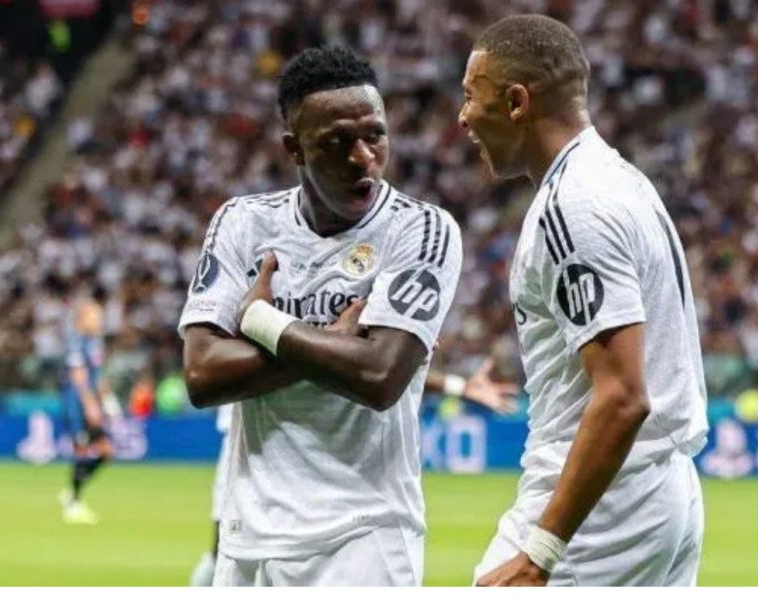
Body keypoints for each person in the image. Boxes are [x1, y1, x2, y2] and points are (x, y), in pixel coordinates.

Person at [178, 45, 462, 587]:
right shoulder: (243, 223)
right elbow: (202, 374)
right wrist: (330, 339)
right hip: (248, 538)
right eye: (337, 142)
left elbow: (378, 375)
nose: (363, 158)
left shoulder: (421, 230)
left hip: (364, 536)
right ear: (295, 149)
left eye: (375, 135)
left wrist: (261, 323)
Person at [459, 15, 708, 586]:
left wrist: (540, 552)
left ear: (516, 102)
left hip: (604, 512)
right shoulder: (621, 181)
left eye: (471, 95)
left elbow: (622, 396)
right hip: (653, 488)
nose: (463, 116)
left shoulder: (575, 207)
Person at [189, 359, 518, 586]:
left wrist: (456, 385)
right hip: (249, 444)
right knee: (225, 554)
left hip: (318, 456)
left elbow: (374, 363)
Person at [57, 293, 112, 525]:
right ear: (82, 319)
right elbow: (78, 376)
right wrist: (90, 406)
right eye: (95, 317)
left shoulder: (94, 343)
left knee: (106, 450)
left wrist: (107, 401)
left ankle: (72, 492)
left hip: (91, 402)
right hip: (77, 404)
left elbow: (97, 376)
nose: (99, 321)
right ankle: (73, 504)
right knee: (81, 449)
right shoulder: (76, 342)